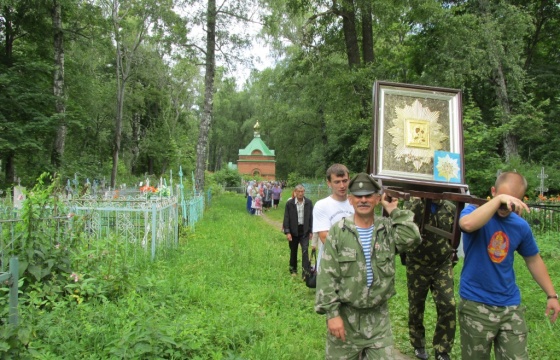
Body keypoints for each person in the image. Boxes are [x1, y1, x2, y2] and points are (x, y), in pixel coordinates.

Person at [315, 173, 422, 359]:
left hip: (378, 320)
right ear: (350, 200)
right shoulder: (338, 232)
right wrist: (332, 315)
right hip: (346, 318)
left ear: (377, 199)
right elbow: (327, 275)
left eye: (368, 195)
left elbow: (412, 237)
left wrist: (394, 210)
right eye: (358, 196)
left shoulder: (387, 229)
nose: (363, 200)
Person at [458, 171, 560, 359]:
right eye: (502, 198)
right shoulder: (474, 211)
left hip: (509, 306)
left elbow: (533, 259)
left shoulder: (519, 226)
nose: (506, 206)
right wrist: (497, 201)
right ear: (493, 191)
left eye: (512, 201)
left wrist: (551, 294)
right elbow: (468, 225)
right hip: (476, 304)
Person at [403, 198, 456, 360]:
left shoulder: (450, 208)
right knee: (416, 305)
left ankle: (442, 349)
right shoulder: (413, 204)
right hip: (418, 264)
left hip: (442, 264)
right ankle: (418, 344)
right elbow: (404, 230)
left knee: (448, 304)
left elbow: (455, 235)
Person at [312, 164, 355, 269]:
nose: (342, 186)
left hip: (354, 266)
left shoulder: (356, 203)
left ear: (349, 180)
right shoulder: (322, 205)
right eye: (337, 182)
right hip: (330, 266)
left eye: (345, 181)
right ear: (329, 183)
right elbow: (325, 237)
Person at [282, 184, 313, 278]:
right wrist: (287, 232)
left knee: (305, 251)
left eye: (302, 191)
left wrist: (311, 230)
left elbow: (311, 217)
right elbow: (286, 218)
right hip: (293, 231)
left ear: (304, 192)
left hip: (304, 231)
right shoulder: (290, 203)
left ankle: (305, 273)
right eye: (298, 191)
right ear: (295, 192)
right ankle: (293, 270)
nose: (300, 193)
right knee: (293, 251)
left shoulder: (308, 202)